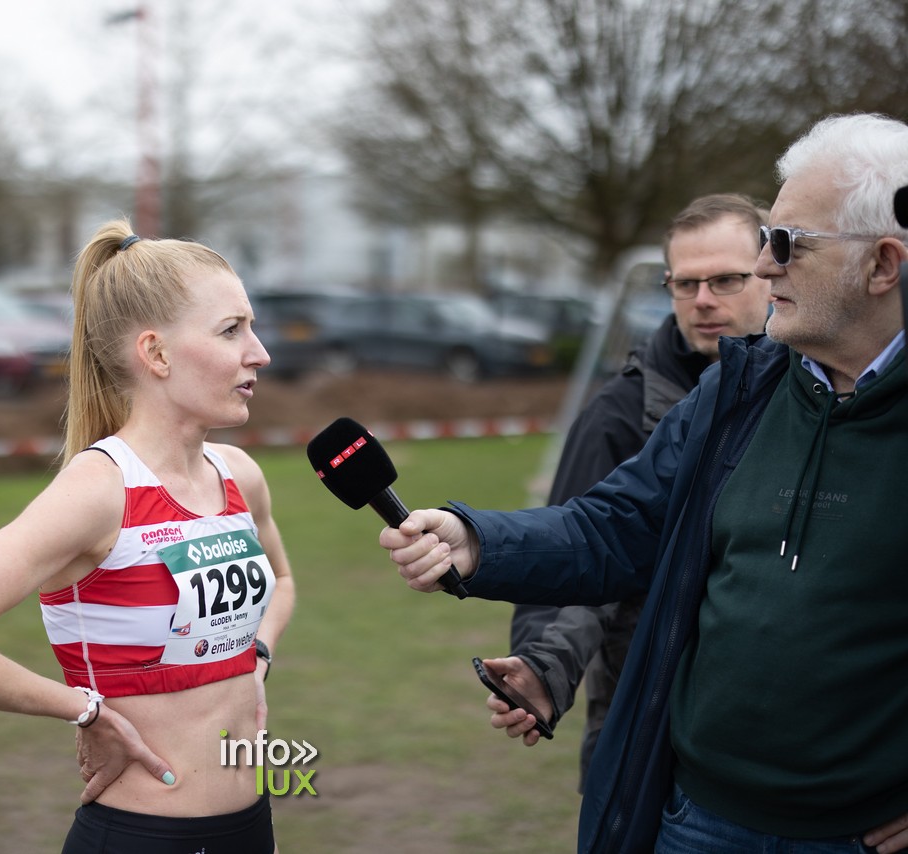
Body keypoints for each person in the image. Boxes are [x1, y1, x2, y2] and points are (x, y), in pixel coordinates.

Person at [379, 112, 908, 854]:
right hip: (698, 820)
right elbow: (612, 527)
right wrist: (474, 539)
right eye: (763, 244)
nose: (763, 269)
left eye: (786, 245)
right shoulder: (736, 395)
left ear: (883, 264)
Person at [0, 219, 296, 853]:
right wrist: (83, 709)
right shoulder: (100, 490)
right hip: (141, 837)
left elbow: (284, 581)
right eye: (231, 330)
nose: (259, 352)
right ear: (156, 353)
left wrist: (255, 657)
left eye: (251, 326)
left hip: (251, 827)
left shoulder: (239, 473)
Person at [494, 194, 772, 790]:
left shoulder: (828, 389)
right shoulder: (619, 414)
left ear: (772, 269)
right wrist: (542, 666)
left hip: (787, 735)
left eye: (725, 279)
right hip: (649, 720)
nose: (702, 301)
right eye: (685, 283)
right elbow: (573, 551)